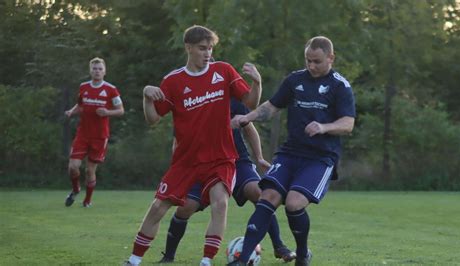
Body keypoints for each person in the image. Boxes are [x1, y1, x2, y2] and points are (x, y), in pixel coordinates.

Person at [124, 25, 262, 266]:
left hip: (221, 157)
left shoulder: (224, 71)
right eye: (202, 48)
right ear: (188, 47)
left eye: (210, 48)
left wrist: (257, 83)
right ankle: (134, 260)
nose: (207, 53)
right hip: (186, 160)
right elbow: (153, 119)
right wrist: (146, 97)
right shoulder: (174, 81)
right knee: (158, 207)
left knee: (220, 202)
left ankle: (206, 261)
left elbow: (250, 102)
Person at [228, 36, 356, 266]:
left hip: (320, 157)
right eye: (308, 60)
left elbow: (348, 123)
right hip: (290, 153)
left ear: (331, 58)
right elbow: (271, 107)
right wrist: (247, 116)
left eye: (317, 61)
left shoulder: (340, 86)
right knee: (267, 196)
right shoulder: (295, 80)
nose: (311, 66)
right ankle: (242, 259)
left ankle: (302, 254)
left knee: (294, 203)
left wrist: (324, 127)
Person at [158, 98, 296, 264]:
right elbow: (178, 141)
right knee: (185, 208)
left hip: (237, 161)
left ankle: (279, 246)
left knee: (260, 195)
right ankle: (168, 256)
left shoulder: (231, 101)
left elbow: (249, 129)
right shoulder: (189, 103)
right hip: (202, 164)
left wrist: (259, 157)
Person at [64, 57, 124, 208]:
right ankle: (76, 189)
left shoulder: (111, 89)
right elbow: (80, 105)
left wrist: (107, 112)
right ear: (90, 71)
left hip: (99, 136)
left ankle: (87, 200)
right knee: (73, 166)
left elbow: (120, 110)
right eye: (94, 69)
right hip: (83, 134)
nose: (97, 71)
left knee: (90, 170)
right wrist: (71, 111)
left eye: (100, 69)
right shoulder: (83, 87)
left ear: (105, 72)